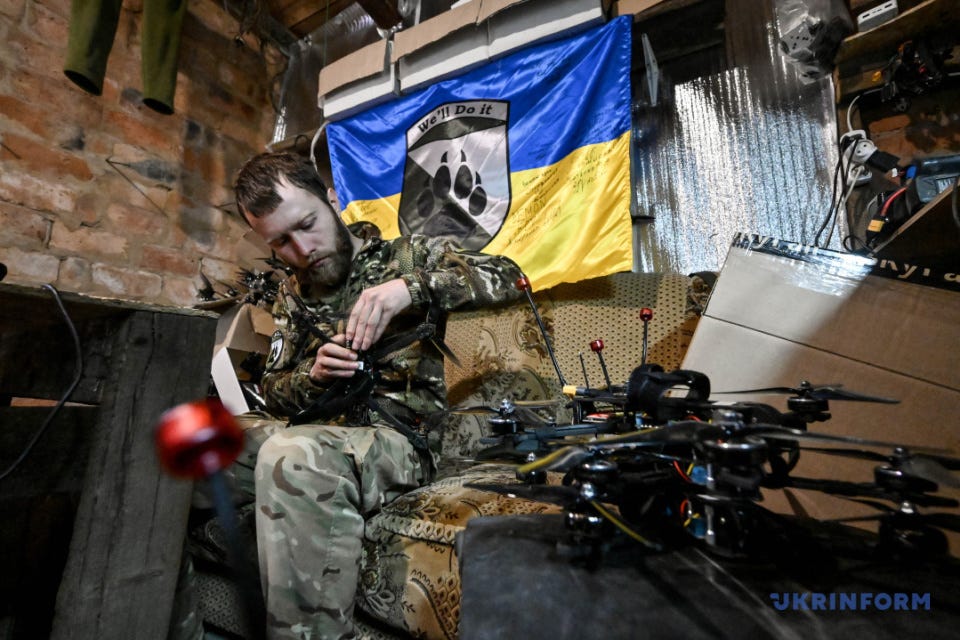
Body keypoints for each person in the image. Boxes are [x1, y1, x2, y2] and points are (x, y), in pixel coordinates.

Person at [231, 150, 525, 639]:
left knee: (295, 453)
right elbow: (275, 391)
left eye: (307, 224)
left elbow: (511, 276)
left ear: (332, 199)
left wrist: (410, 289)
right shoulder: (293, 294)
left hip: (401, 440)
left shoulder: (404, 256)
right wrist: (316, 374)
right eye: (281, 241)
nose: (302, 250)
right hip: (322, 433)